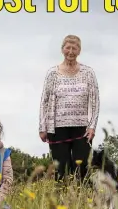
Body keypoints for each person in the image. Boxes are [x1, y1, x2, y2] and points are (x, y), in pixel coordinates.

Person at [38, 34, 100, 182]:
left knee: (82, 168)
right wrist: (42, 127)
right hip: (57, 128)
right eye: (68, 48)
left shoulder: (88, 73)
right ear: (62, 49)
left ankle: (83, 202)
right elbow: (44, 101)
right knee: (61, 170)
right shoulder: (52, 73)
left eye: (75, 48)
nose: (71, 51)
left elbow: (95, 101)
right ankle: (63, 203)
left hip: (82, 128)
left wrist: (92, 126)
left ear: (79, 51)